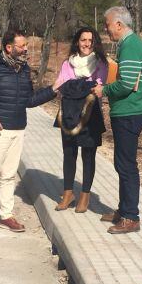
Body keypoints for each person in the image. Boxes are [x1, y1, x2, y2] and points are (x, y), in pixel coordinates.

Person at [0, 29, 58, 236]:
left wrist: (53, 90)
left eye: (26, 45)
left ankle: (5, 215)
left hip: (18, 129)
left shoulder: (23, 69)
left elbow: (29, 100)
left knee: (9, 176)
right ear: (9, 48)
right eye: (22, 46)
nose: (26, 48)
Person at [92, 6, 142, 234]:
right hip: (124, 113)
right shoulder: (128, 45)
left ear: (118, 24)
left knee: (126, 166)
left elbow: (126, 84)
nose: (106, 30)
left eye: (107, 25)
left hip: (129, 114)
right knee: (121, 164)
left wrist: (103, 90)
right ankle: (124, 210)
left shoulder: (131, 46)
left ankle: (131, 217)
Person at [52, 27, 108, 213]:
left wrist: (73, 86)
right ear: (77, 41)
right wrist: (81, 86)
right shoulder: (68, 64)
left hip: (90, 115)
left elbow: (97, 86)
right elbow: (61, 85)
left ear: (95, 43)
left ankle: (85, 195)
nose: (87, 44)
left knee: (88, 155)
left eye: (90, 40)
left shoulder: (100, 63)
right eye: (83, 40)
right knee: (69, 153)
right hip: (68, 113)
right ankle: (68, 193)